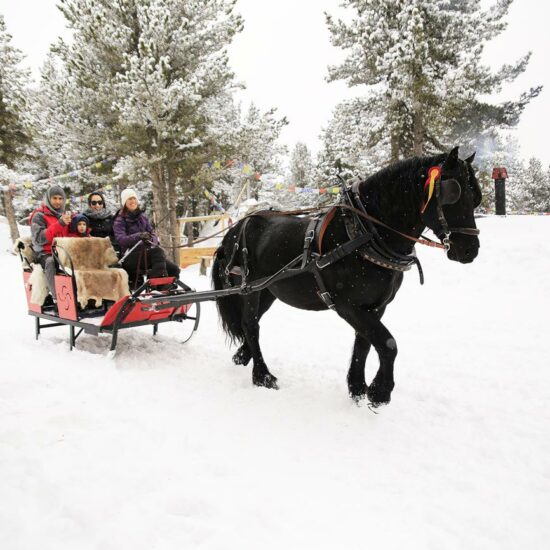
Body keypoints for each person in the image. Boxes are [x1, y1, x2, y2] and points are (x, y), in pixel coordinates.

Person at [113, 188, 180, 284]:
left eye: (134, 198)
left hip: (147, 254)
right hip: (130, 256)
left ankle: (168, 288)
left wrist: (150, 238)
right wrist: (138, 236)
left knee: (174, 269)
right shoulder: (120, 220)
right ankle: (155, 283)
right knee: (157, 251)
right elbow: (121, 239)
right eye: (129, 199)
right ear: (124, 203)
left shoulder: (143, 217)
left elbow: (154, 236)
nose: (133, 201)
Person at [30, 185, 72, 303]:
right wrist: (60, 224)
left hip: (63, 251)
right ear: (48, 199)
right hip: (44, 253)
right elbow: (39, 238)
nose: (58, 201)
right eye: (54, 198)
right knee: (51, 262)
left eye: (60, 198)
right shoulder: (39, 216)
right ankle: (57, 299)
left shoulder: (65, 215)